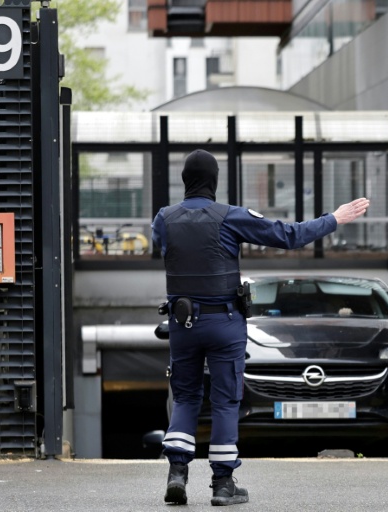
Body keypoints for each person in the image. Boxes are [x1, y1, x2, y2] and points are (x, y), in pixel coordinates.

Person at [151, 149, 370, 506]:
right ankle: (223, 485)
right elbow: (289, 235)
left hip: (182, 324)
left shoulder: (164, 218)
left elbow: (163, 246)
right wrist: (334, 218)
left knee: (187, 396)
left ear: (185, 181)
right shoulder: (230, 217)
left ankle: (177, 473)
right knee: (224, 399)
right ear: (215, 181)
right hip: (224, 323)